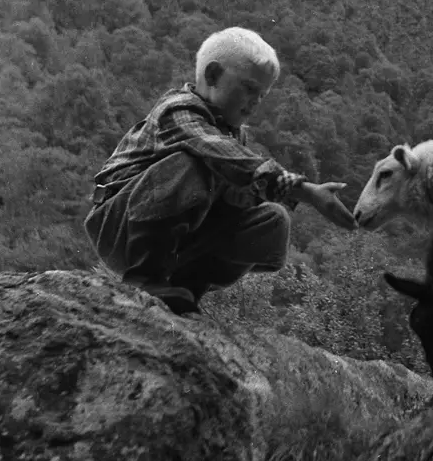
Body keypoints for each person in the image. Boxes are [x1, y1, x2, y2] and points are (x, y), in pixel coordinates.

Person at [84, 27, 355, 314]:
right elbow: (223, 155)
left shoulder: (233, 134)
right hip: (118, 225)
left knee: (273, 219)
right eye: (249, 88)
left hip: (177, 239)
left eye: (262, 95)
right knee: (196, 163)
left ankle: (186, 288)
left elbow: (240, 181)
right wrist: (305, 191)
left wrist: (248, 198)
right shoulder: (178, 110)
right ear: (212, 75)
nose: (255, 102)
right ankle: (146, 277)